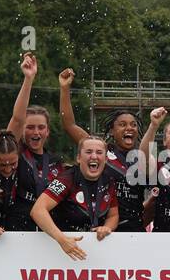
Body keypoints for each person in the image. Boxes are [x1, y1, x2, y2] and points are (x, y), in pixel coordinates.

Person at [59, 69, 146, 231]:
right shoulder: (100, 152)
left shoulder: (142, 158)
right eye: (122, 124)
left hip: (135, 231)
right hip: (103, 229)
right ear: (112, 131)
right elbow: (69, 125)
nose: (130, 128)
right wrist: (64, 89)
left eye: (133, 125)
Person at [30, 136, 119, 260]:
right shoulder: (66, 179)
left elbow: (113, 215)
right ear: (78, 158)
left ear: (105, 159)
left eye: (99, 152)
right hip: (58, 251)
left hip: (91, 252)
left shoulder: (108, 180)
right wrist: (61, 239)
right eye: (88, 152)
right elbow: (38, 210)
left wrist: (107, 227)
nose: (94, 156)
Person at [6, 53, 62, 231]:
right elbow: (16, 119)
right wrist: (28, 79)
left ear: (47, 131)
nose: (36, 132)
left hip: (48, 231)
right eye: (30, 127)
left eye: (40, 127)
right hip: (17, 230)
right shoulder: (15, 153)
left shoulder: (56, 162)